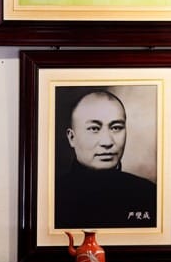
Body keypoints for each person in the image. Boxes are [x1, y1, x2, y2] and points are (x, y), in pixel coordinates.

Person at [54, 88, 157, 229]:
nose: (107, 142)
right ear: (72, 137)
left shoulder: (149, 195)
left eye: (116, 128)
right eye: (94, 129)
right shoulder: (52, 196)